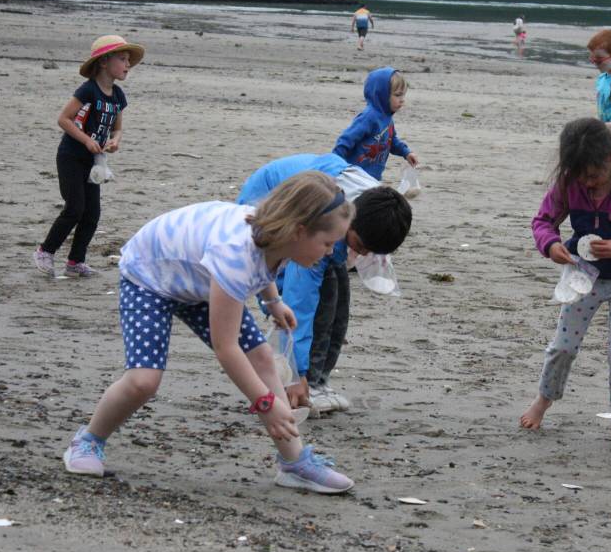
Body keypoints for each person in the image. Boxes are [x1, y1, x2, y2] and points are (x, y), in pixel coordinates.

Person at [62, 171, 357, 494]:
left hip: (201, 279)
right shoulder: (235, 254)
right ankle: (88, 440)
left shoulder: (281, 237)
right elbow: (225, 347)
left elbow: (265, 264)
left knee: (262, 358)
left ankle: (295, 463)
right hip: (150, 277)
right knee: (143, 381)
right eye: (327, 243)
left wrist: (273, 301)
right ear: (299, 231)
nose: (330, 252)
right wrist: (264, 402)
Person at [520, 118, 611, 451]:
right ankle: (543, 400)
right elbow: (543, 221)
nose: (588, 181)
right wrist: (551, 246)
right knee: (563, 347)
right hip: (582, 274)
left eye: (594, 174)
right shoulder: (570, 182)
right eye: (581, 175)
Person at [238, 153, 413, 415]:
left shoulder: (376, 205)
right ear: (349, 224)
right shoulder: (318, 229)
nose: (363, 255)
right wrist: (298, 375)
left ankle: (319, 382)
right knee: (318, 303)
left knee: (338, 301)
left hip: (310, 205)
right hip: (268, 214)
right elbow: (299, 305)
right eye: (360, 247)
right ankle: (296, 381)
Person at [34, 35, 143, 278]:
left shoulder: (117, 95)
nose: (128, 65)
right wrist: (86, 140)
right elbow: (63, 119)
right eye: (122, 59)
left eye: (129, 61)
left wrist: (115, 141)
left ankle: (75, 262)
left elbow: (117, 127)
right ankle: (45, 251)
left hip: (95, 162)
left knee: (92, 213)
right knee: (75, 208)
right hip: (71, 157)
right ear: (104, 62)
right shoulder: (88, 90)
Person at [333, 66, 418, 180]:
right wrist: (333, 164)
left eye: (403, 95)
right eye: (397, 95)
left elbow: (392, 141)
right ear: (382, 94)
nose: (402, 99)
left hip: (373, 177)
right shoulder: (369, 117)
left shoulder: (387, 118)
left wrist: (406, 153)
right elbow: (346, 140)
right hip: (354, 175)